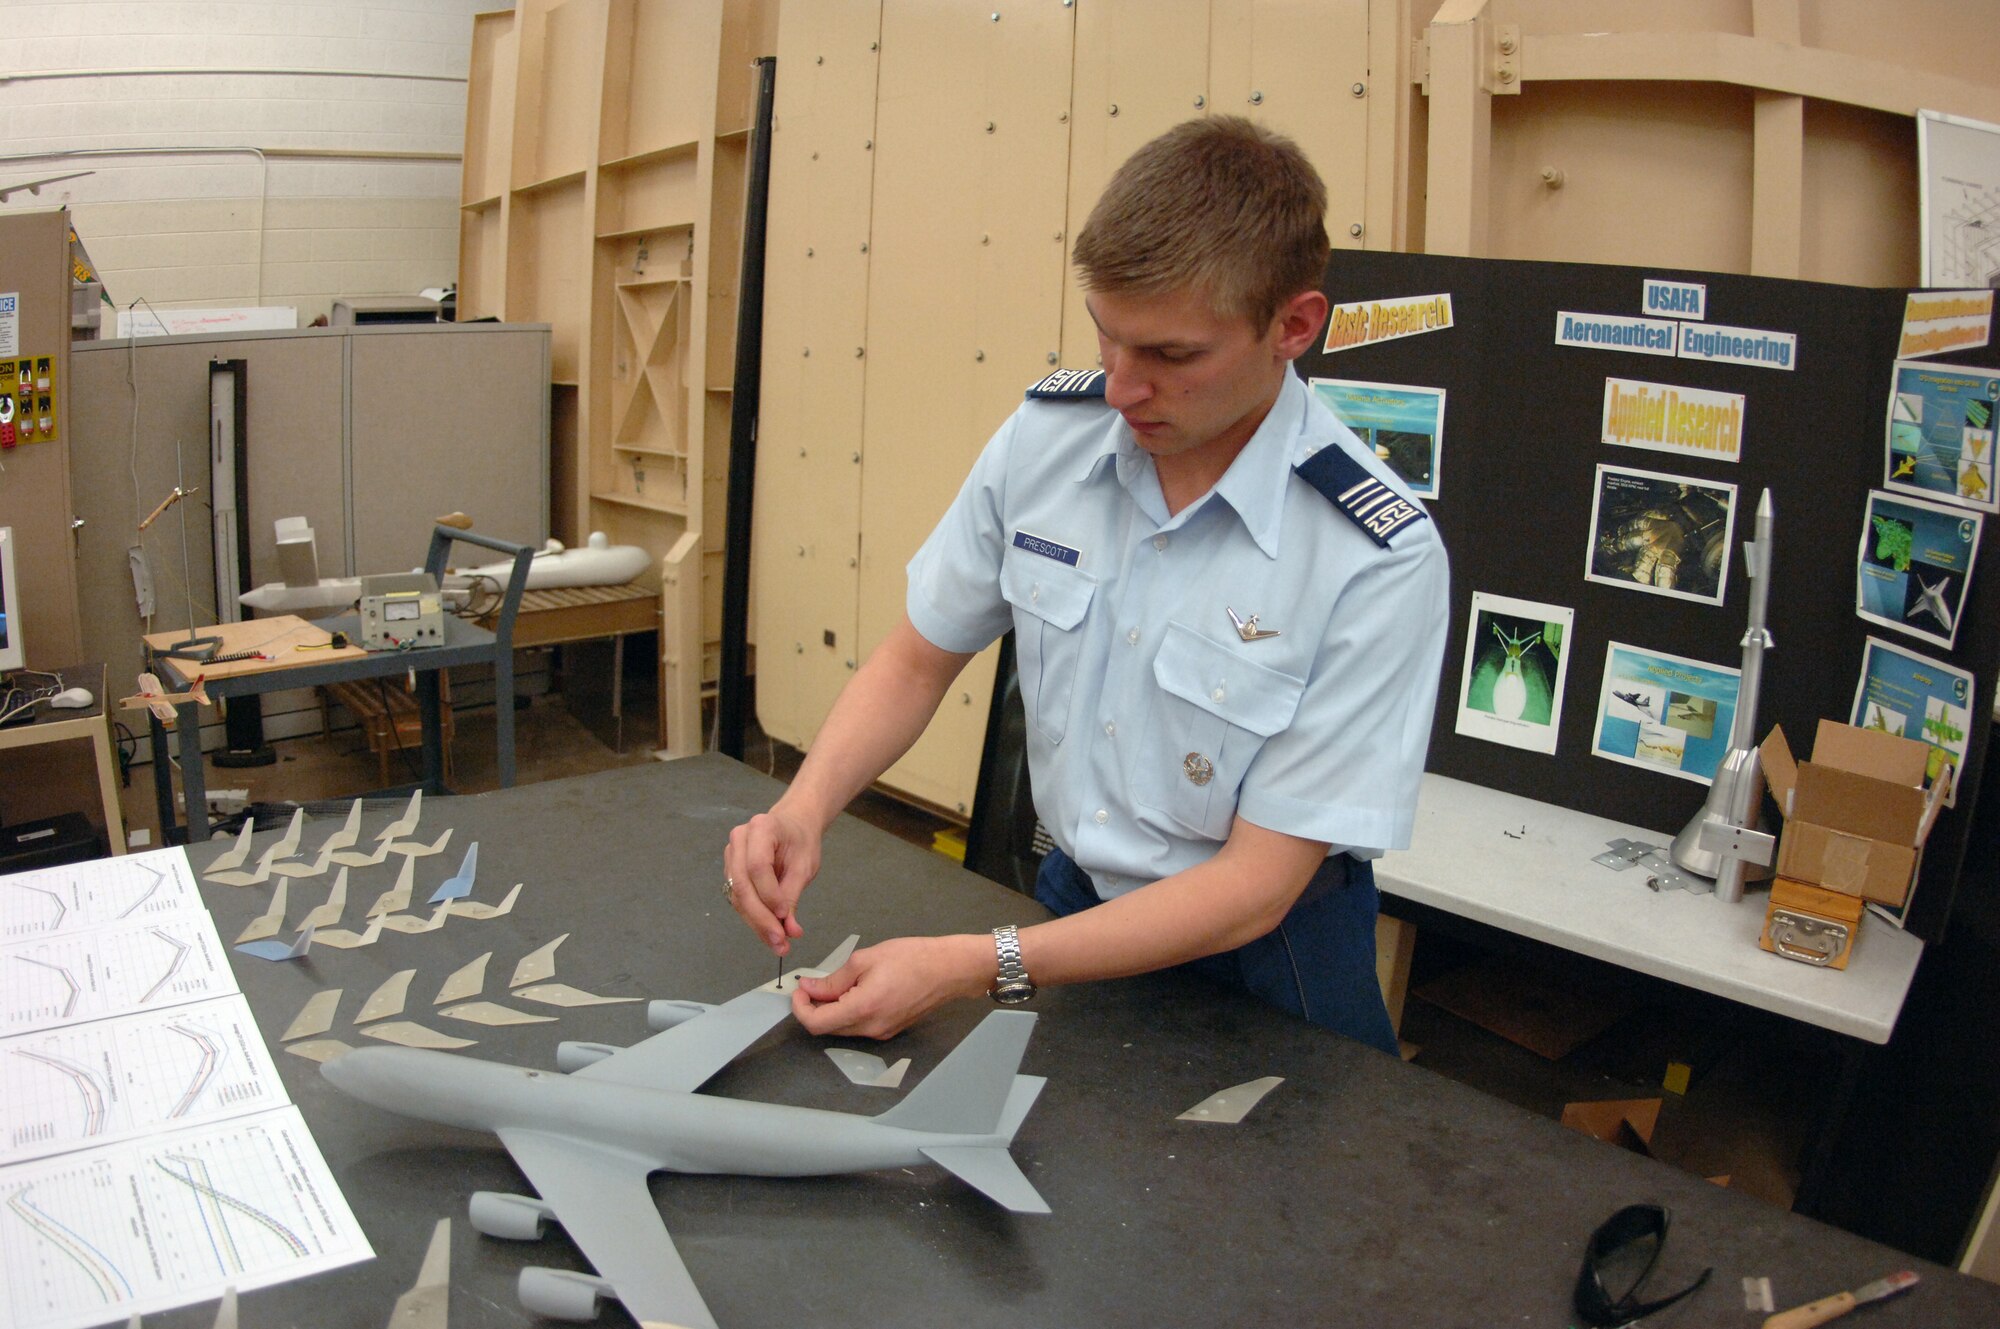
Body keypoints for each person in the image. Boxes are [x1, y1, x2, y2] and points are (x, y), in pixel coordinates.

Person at [724, 116, 1449, 1054]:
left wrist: (967, 962)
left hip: (1270, 961)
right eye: (1108, 338)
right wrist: (802, 807)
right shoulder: (1046, 440)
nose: (1120, 388)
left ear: (1294, 326)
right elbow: (916, 657)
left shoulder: (1371, 555)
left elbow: (1256, 886)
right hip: (1070, 901)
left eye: (1172, 356)